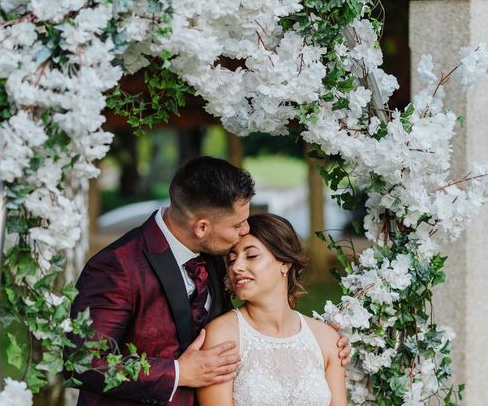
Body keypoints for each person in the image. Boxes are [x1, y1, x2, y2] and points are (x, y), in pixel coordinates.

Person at [67, 156, 349, 406]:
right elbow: (82, 363)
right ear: (201, 227)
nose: (245, 230)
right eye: (238, 225)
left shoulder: (216, 253)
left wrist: (316, 345)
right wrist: (179, 372)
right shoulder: (116, 267)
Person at [197, 213, 347, 406]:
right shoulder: (222, 336)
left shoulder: (326, 339)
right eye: (232, 260)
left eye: (251, 255)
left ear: (284, 263)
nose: (236, 267)